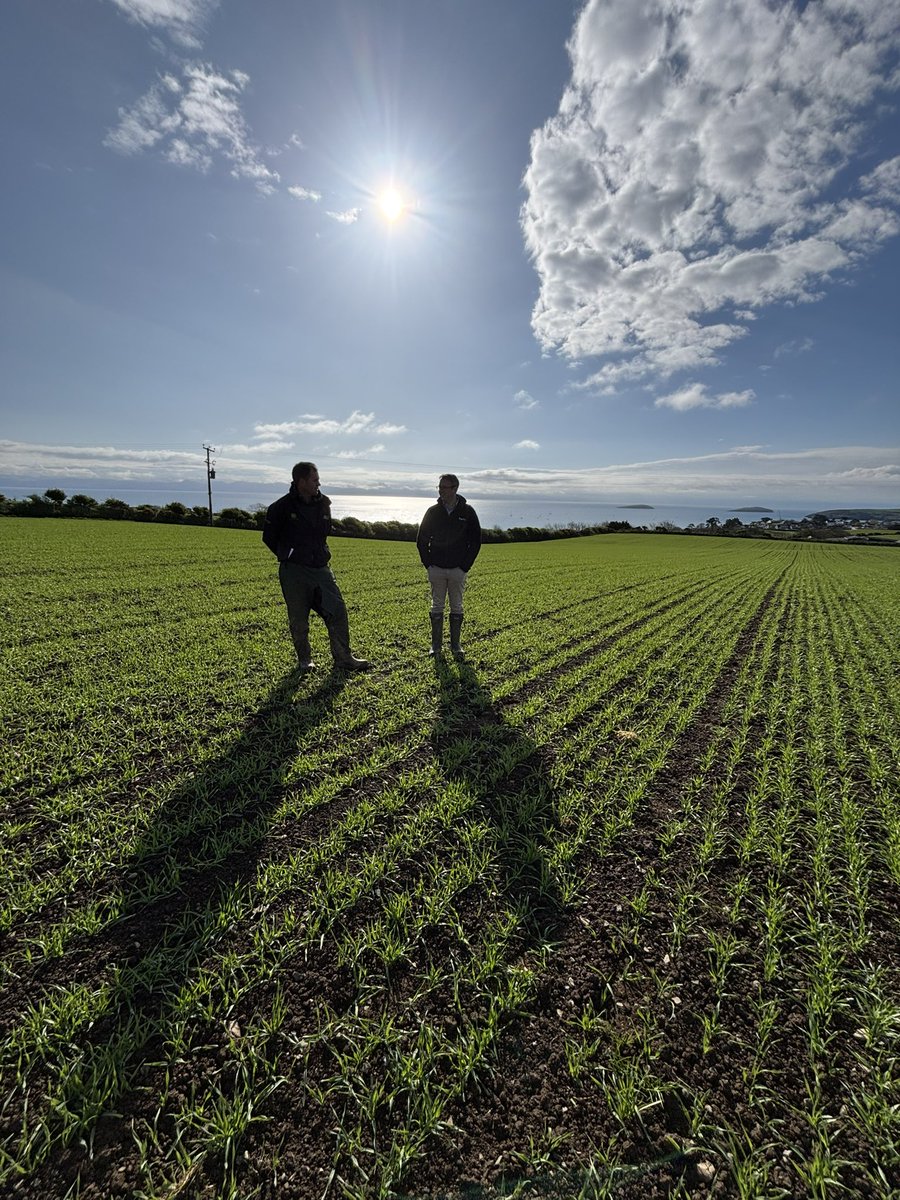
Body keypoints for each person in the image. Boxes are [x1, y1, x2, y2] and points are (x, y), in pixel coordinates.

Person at [262, 462, 370, 672]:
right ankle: (305, 661)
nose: (318, 483)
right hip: (294, 571)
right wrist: (289, 554)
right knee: (299, 619)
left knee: (337, 609)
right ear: (301, 481)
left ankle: (343, 658)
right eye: (314, 480)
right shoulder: (280, 507)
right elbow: (269, 537)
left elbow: (324, 532)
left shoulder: (324, 503)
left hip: (321, 569)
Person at [416, 474, 481, 658]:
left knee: (457, 607)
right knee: (436, 606)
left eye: (444, 487)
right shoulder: (432, 512)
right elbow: (421, 539)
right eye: (439, 487)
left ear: (455, 489)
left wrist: (464, 567)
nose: (440, 490)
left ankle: (456, 646)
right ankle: (435, 646)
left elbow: (475, 541)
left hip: (457, 570)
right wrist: (428, 564)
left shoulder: (468, 512)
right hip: (436, 568)